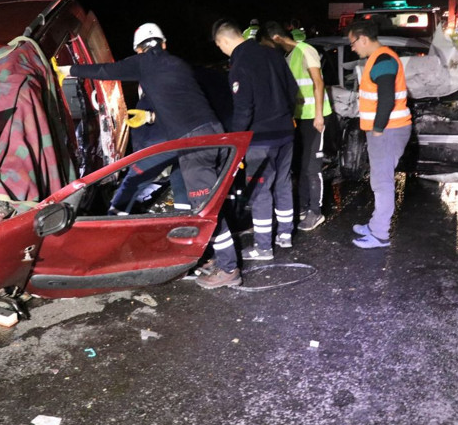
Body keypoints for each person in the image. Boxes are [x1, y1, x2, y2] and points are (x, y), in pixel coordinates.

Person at [59, 22, 241, 288]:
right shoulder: (177, 64)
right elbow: (182, 105)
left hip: (195, 142)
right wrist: (150, 116)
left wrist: (68, 70)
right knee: (200, 198)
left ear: (139, 49)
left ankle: (229, 269)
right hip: (213, 135)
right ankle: (211, 257)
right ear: (164, 44)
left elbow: (106, 71)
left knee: (205, 208)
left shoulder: (146, 62)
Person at [212, 19, 298, 261]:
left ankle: (263, 247)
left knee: (260, 190)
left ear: (224, 41)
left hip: (260, 140)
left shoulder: (240, 64)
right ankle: (285, 235)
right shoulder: (273, 55)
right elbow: (293, 91)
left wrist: (236, 141)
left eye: (220, 46)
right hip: (285, 133)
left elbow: (243, 108)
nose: (222, 51)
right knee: (282, 183)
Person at [347, 20, 412, 248]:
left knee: (382, 182)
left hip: (388, 130)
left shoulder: (383, 60)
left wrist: (377, 129)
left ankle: (380, 234)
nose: (352, 48)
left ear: (363, 38)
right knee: (379, 179)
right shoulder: (380, 59)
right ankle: (376, 225)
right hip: (389, 129)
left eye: (352, 43)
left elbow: (387, 98)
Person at [263, 21, 331, 231]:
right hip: (300, 118)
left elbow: (318, 82)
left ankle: (316, 212)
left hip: (315, 118)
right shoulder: (288, 57)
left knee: (312, 167)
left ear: (275, 38)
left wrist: (319, 116)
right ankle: (302, 207)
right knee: (301, 165)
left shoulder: (305, 50)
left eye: (267, 43)